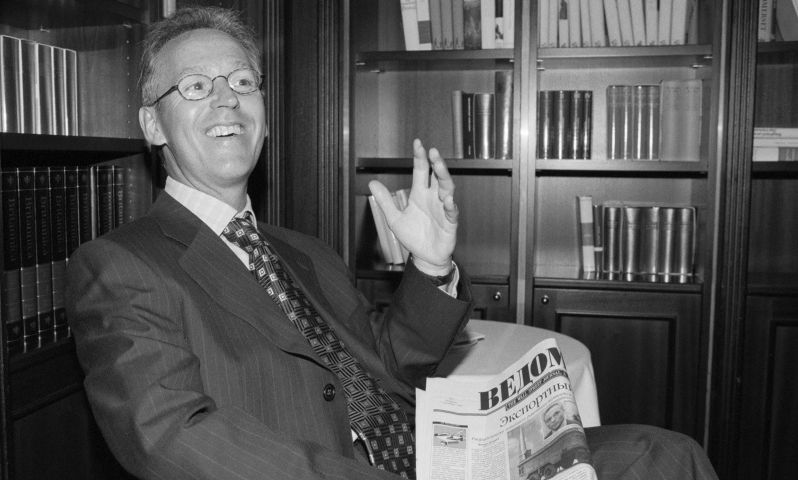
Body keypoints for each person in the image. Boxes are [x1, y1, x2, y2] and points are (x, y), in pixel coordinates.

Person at [66, 6, 719, 480]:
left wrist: (431, 267)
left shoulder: (304, 252)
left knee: (667, 456)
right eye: (196, 86)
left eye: (242, 82)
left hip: (441, 459)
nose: (227, 102)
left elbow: (392, 364)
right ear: (153, 123)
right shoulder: (120, 265)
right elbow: (170, 436)